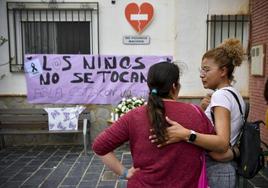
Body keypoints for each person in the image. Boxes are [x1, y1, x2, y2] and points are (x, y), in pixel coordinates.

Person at [92, 62, 214, 188]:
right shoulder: (196, 113)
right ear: (174, 86)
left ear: (150, 86)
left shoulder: (134, 116)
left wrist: (125, 172)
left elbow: (99, 146)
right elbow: (217, 147)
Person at [150, 39, 245, 188]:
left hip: (216, 169)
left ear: (223, 71)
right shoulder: (233, 94)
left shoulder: (221, 96)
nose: (202, 75)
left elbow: (221, 143)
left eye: (206, 70)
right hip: (222, 167)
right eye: (201, 70)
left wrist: (186, 134)